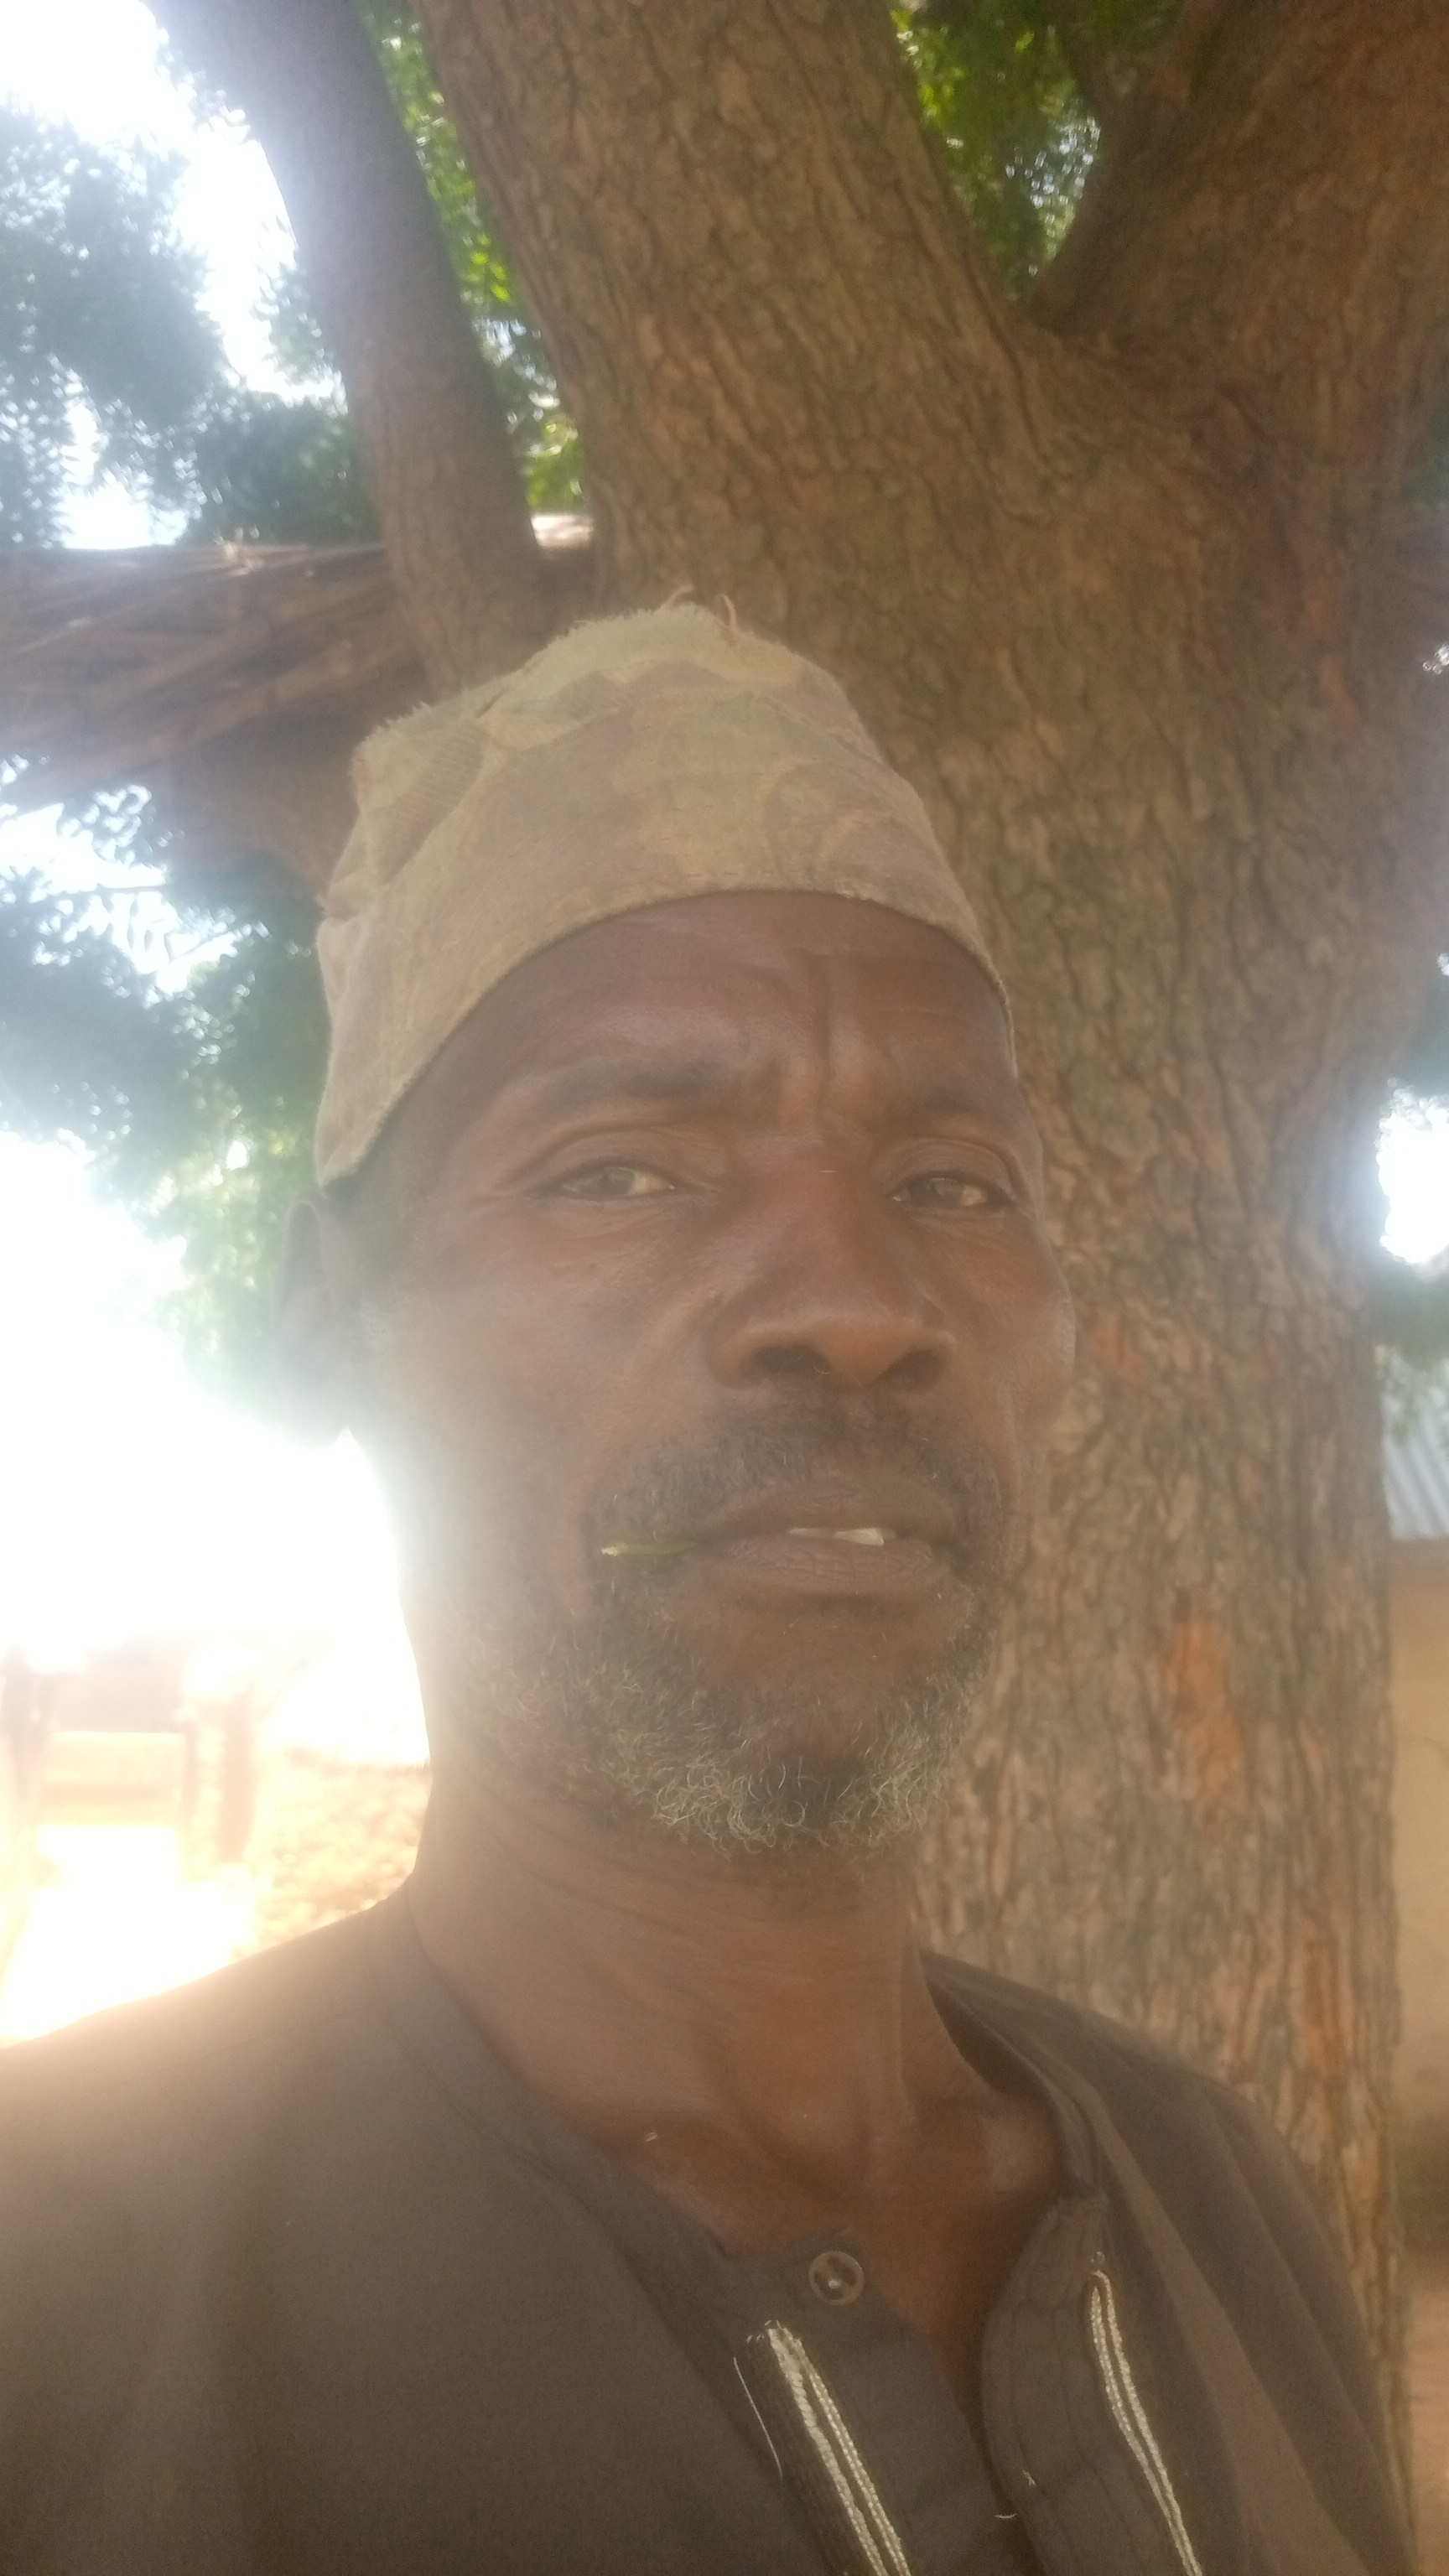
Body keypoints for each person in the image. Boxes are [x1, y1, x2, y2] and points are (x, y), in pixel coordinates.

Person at [0, 609, 1410, 2575]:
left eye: (955, 1184)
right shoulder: (60, 2294)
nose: (856, 1304)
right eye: (623, 1170)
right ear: (330, 1321)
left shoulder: (1216, 2191)